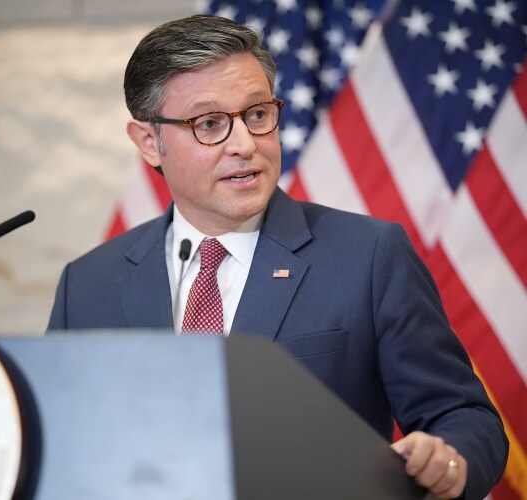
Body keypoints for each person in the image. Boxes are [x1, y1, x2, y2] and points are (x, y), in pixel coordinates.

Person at [48, 14, 508, 499]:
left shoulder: (369, 256)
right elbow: (58, 443)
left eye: (257, 114)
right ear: (149, 142)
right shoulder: (89, 284)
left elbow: (464, 417)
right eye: (209, 124)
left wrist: (447, 460)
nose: (245, 145)